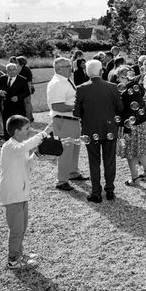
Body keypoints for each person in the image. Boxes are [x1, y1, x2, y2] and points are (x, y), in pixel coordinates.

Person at [0, 115, 52, 269]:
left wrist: (36, 155)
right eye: (27, 129)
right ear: (16, 132)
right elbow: (25, 147)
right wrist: (44, 132)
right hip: (13, 194)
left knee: (22, 227)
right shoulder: (10, 147)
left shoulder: (19, 146)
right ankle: (13, 260)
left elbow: (27, 166)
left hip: (21, 193)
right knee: (16, 229)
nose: (29, 131)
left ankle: (19, 253)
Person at [73, 59, 123, 203]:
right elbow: (120, 108)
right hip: (109, 128)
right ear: (101, 71)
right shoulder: (113, 87)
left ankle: (96, 192)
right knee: (110, 160)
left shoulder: (81, 88)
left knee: (93, 161)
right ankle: (110, 190)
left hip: (90, 129)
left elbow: (76, 113)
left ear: (87, 72)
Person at [46, 57, 87, 192]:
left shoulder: (66, 80)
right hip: (64, 120)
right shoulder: (57, 83)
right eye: (68, 66)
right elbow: (57, 106)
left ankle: (73, 172)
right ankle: (61, 180)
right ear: (59, 69)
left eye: (70, 65)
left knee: (75, 148)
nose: (71, 68)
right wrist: (78, 107)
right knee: (65, 150)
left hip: (71, 120)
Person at [115, 66, 146, 185]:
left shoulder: (126, 91)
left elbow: (126, 112)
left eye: (119, 77)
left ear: (124, 76)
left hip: (132, 125)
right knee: (139, 150)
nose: (118, 80)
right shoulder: (138, 86)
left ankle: (135, 178)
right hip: (142, 122)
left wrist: (126, 129)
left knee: (130, 153)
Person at [0, 63, 31, 140]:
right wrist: (0, 92)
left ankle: (19, 141)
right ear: (6, 71)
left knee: (18, 125)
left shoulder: (22, 79)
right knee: (7, 124)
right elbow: (0, 89)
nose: (11, 72)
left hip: (18, 107)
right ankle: (7, 141)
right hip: (6, 106)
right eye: (9, 70)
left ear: (16, 70)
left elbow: (27, 92)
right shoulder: (2, 78)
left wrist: (18, 97)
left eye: (13, 70)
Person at [16, 56, 34, 122]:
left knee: (27, 103)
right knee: (28, 103)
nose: (16, 63)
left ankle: (29, 118)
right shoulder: (23, 68)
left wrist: (28, 91)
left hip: (26, 89)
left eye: (17, 62)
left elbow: (29, 82)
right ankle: (30, 117)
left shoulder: (25, 70)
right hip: (24, 89)